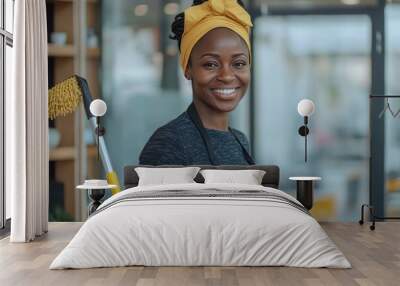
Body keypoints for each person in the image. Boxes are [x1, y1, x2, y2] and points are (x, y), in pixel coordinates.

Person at [139, 0, 255, 166]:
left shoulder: (240, 140)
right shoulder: (168, 144)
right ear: (188, 69)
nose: (227, 76)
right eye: (211, 64)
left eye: (239, 64)